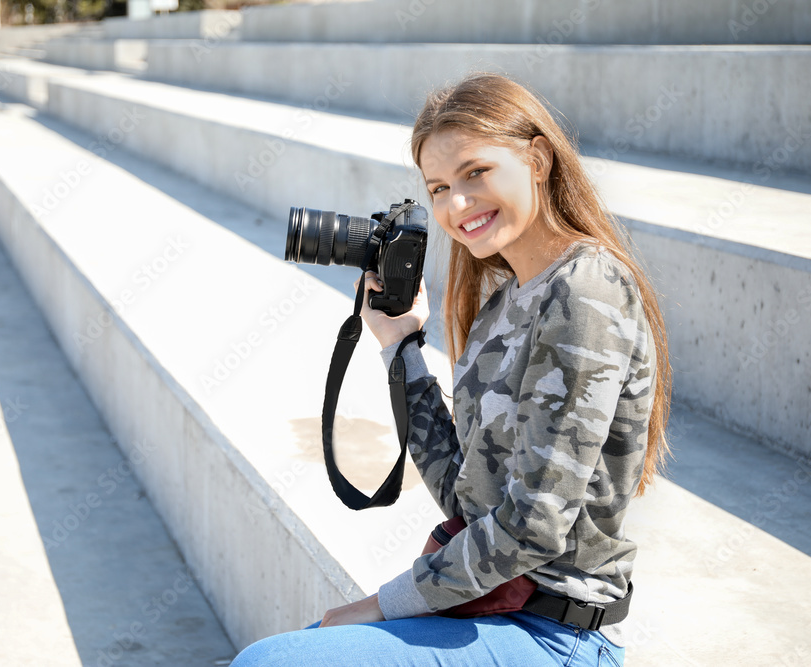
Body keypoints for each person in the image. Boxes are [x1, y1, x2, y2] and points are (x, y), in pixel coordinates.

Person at [230, 72, 672, 666]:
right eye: (437, 187)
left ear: (537, 159)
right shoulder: (501, 303)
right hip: (494, 611)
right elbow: (468, 497)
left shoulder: (586, 290)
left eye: (475, 172)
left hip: (556, 634)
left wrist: (383, 603)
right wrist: (399, 347)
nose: (455, 205)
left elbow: (531, 528)